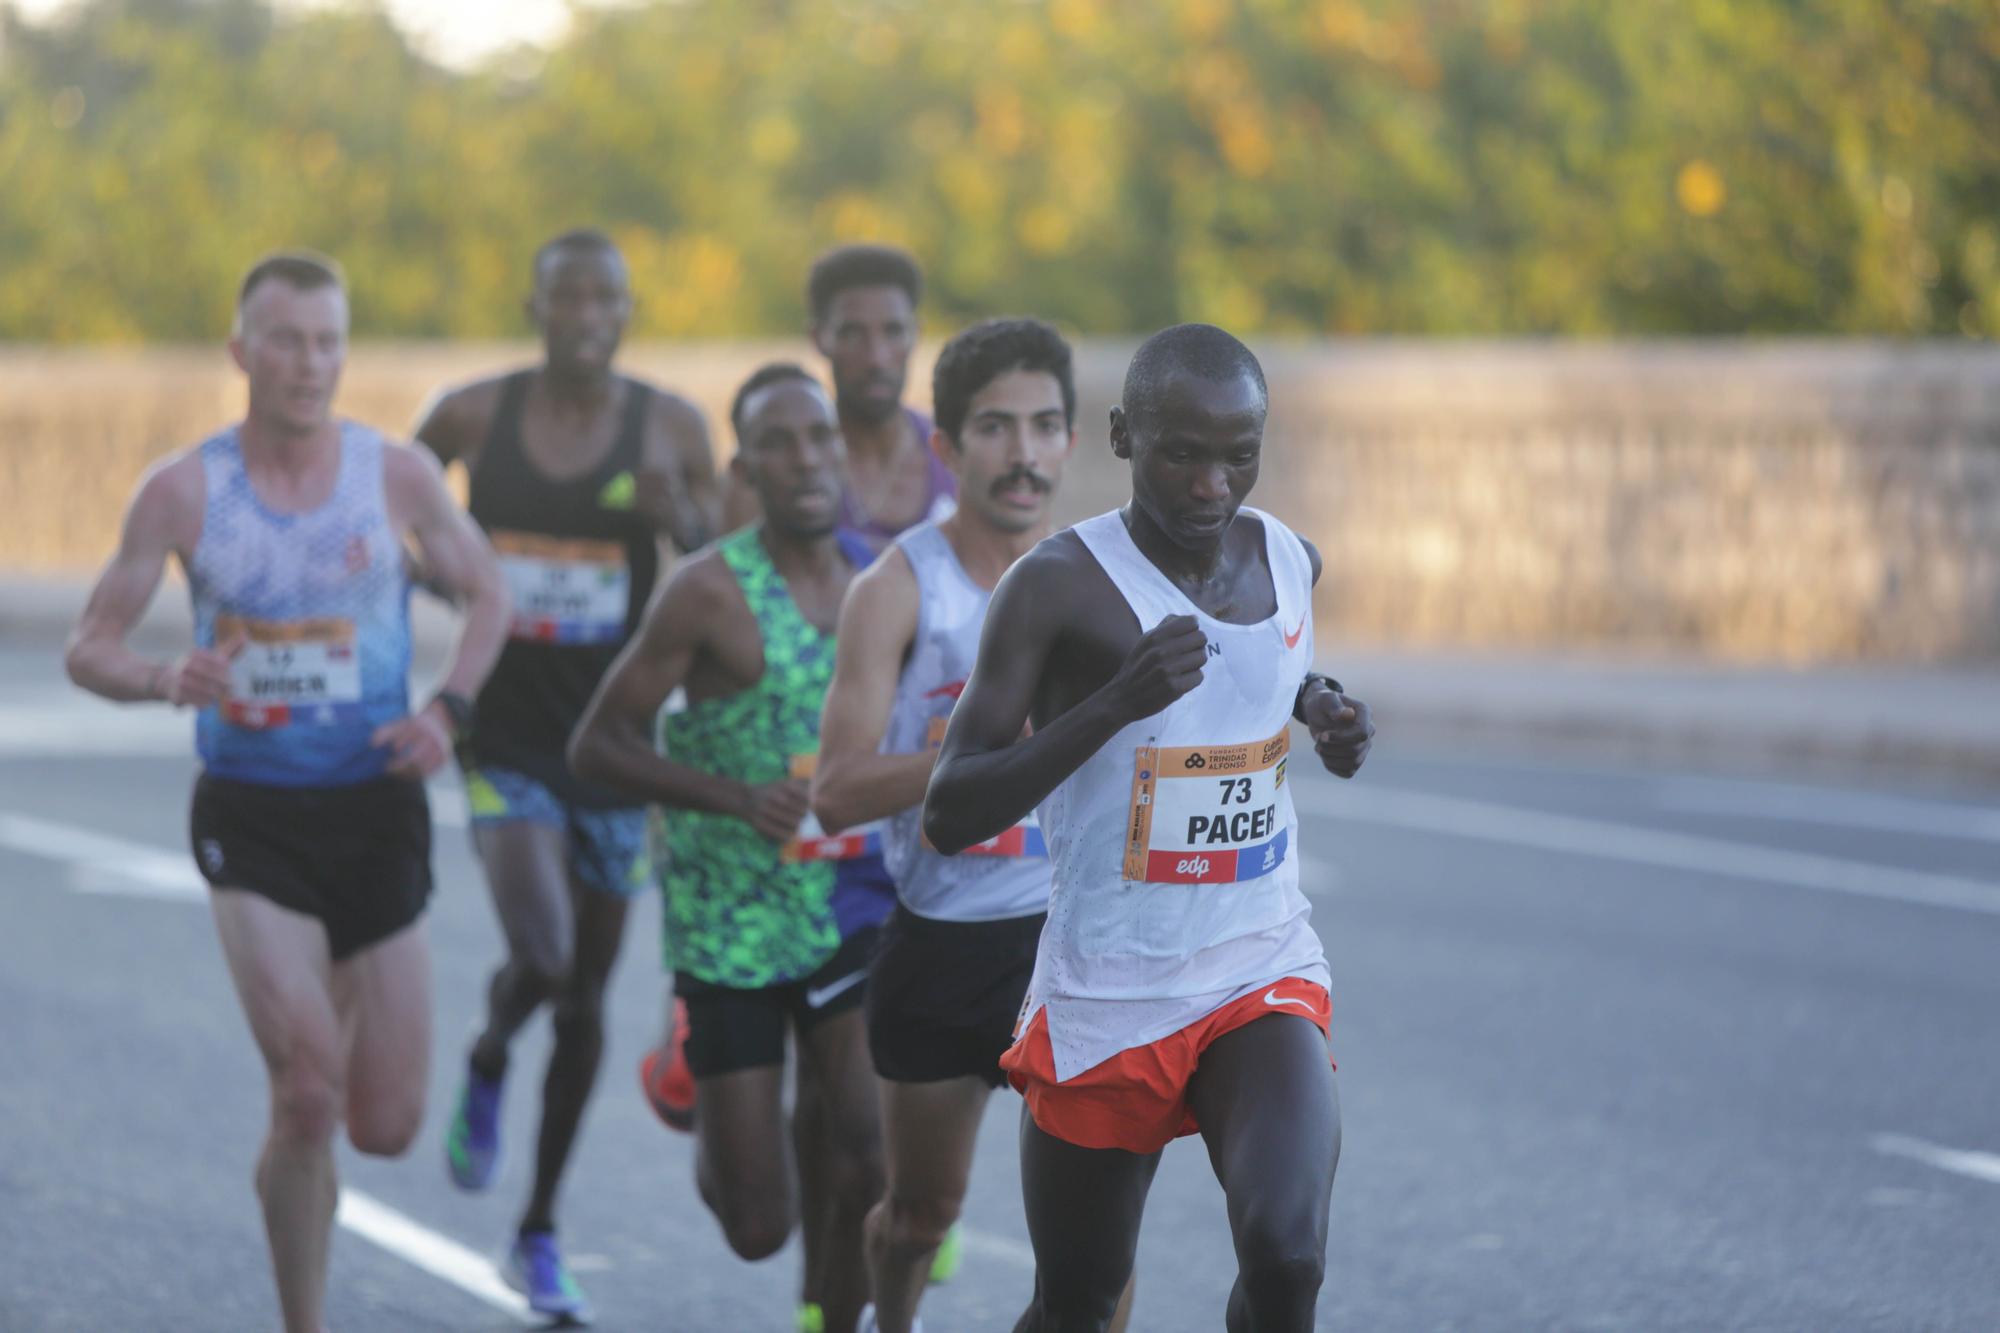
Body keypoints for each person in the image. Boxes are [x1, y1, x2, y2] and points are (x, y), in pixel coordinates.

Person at [62, 252, 509, 1333]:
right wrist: (169, 677)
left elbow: (489, 594)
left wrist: (445, 710)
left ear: (343, 351)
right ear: (240, 352)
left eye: (326, 341)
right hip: (251, 813)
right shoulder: (181, 491)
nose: (308, 363)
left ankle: (295, 1165)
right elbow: (89, 646)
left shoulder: (393, 474)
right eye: (284, 340)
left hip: (375, 806)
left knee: (386, 1119)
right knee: (307, 1090)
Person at [923, 324, 1377, 1333]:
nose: (1212, 484)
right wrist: (1108, 705)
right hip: (1109, 990)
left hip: (1255, 967)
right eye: (1182, 452)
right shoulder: (1054, 587)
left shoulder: (1289, 557)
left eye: (1238, 455)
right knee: (1078, 1302)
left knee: (1287, 1254)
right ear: (1124, 437)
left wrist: (1322, 710)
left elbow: (1268, 670)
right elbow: (950, 809)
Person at [412, 228, 718, 1321]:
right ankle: (492, 1050)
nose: (589, 316)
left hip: (613, 742)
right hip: (506, 735)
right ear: (537, 306)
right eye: (568, 298)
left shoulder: (668, 423)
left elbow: (729, 546)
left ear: (625, 313)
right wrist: (455, 577)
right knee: (540, 953)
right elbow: (404, 505)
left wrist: (672, 518)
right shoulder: (472, 415)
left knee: (587, 996)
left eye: (608, 300)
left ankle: (536, 1227)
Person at [812, 317, 1135, 1333]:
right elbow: (836, 790)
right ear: (944, 449)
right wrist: (989, 760)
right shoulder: (898, 589)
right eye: (994, 428)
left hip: (1075, 942)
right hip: (947, 940)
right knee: (918, 1213)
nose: (1023, 452)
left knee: (1095, 1253)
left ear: (1071, 444)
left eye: (1044, 426)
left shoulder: (1102, 580)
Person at [570, 365, 885, 1333]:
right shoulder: (707, 592)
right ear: (744, 468)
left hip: (849, 912)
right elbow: (596, 746)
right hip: (729, 927)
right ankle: (686, 1058)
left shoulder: (886, 580)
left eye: (819, 438)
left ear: (840, 450)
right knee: (756, 1223)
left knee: (867, 1158)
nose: (805, 459)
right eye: (778, 444)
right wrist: (735, 797)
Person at [720, 244, 955, 549]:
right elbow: (743, 584)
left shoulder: (956, 455)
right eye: (853, 334)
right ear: (818, 338)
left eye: (893, 331)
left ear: (916, 335)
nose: (876, 358)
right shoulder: (768, 469)